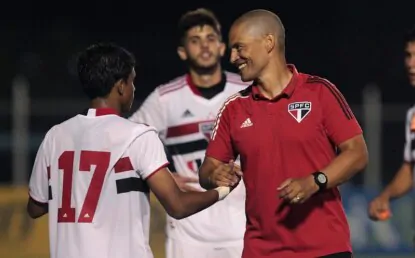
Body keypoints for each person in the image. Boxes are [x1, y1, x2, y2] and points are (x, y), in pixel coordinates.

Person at [26, 43, 234, 258]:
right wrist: (222, 191)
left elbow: (35, 208)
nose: (134, 88)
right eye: (132, 81)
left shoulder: (55, 136)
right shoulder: (138, 136)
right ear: (121, 86)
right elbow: (177, 206)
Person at [199, 9, 369, 258]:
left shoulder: (320, 93)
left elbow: (357, 153)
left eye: (239, 47)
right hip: (262, 251)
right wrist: (215, 175)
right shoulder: (233, 109)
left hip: (325, 249)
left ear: (269, 42)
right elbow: (206, 171)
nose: (233, 57)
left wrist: (315, 181)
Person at [129, 8, 249, 258]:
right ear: (183, 51)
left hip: (245, 227)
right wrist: (162, 177)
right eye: (195, 41)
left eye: (210, 39)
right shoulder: (164, 99)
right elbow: (126, 144)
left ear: (222, 47)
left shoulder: (246, 92)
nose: (204, 46)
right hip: (188, 233)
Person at [368, 26, 415, 234]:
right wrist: (385, 196)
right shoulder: (413, 116)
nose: (411, 64)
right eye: (408, 55)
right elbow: (410, 169)